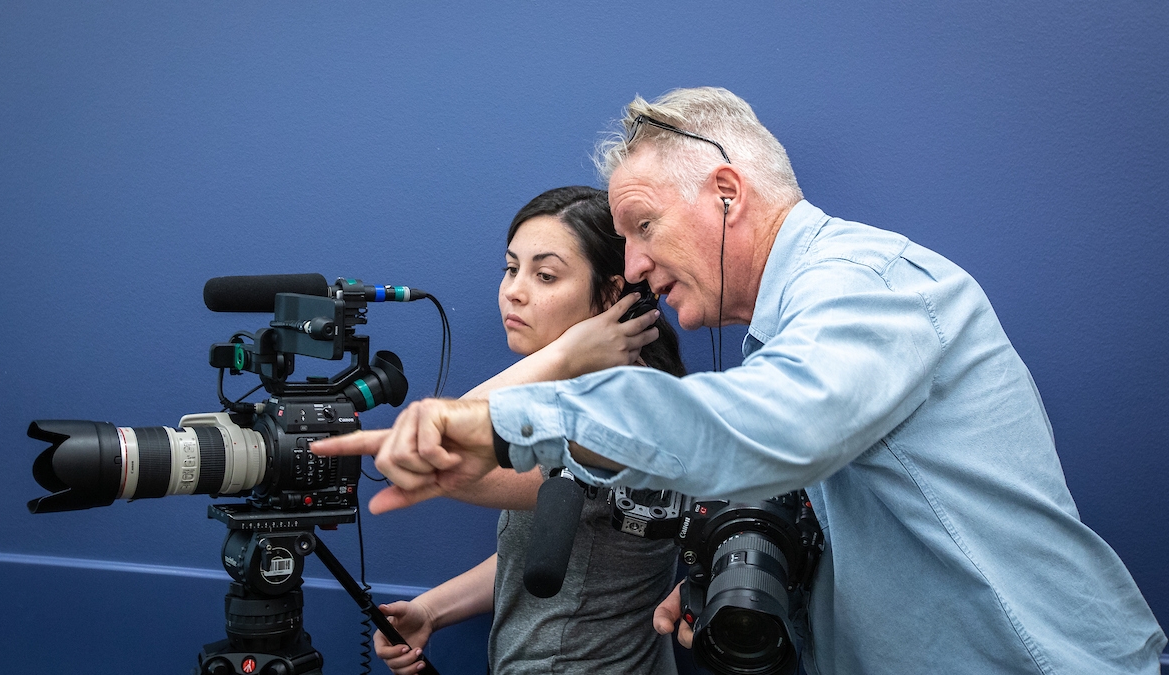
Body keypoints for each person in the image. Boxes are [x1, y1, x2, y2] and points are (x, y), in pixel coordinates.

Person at [314, 88, 1166, 674]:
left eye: (642, 228)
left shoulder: (864, 281)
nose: (637, 266)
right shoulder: (792, 332)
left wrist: (509, 423)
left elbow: (763, 428)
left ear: (726, 192)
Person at [365, 186, 685, 675]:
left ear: (610, 295)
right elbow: (564, 550)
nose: (514, 290)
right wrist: (433, 609)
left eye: (546, 275)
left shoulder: (620, 413)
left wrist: (562, 353)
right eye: (511, 269)